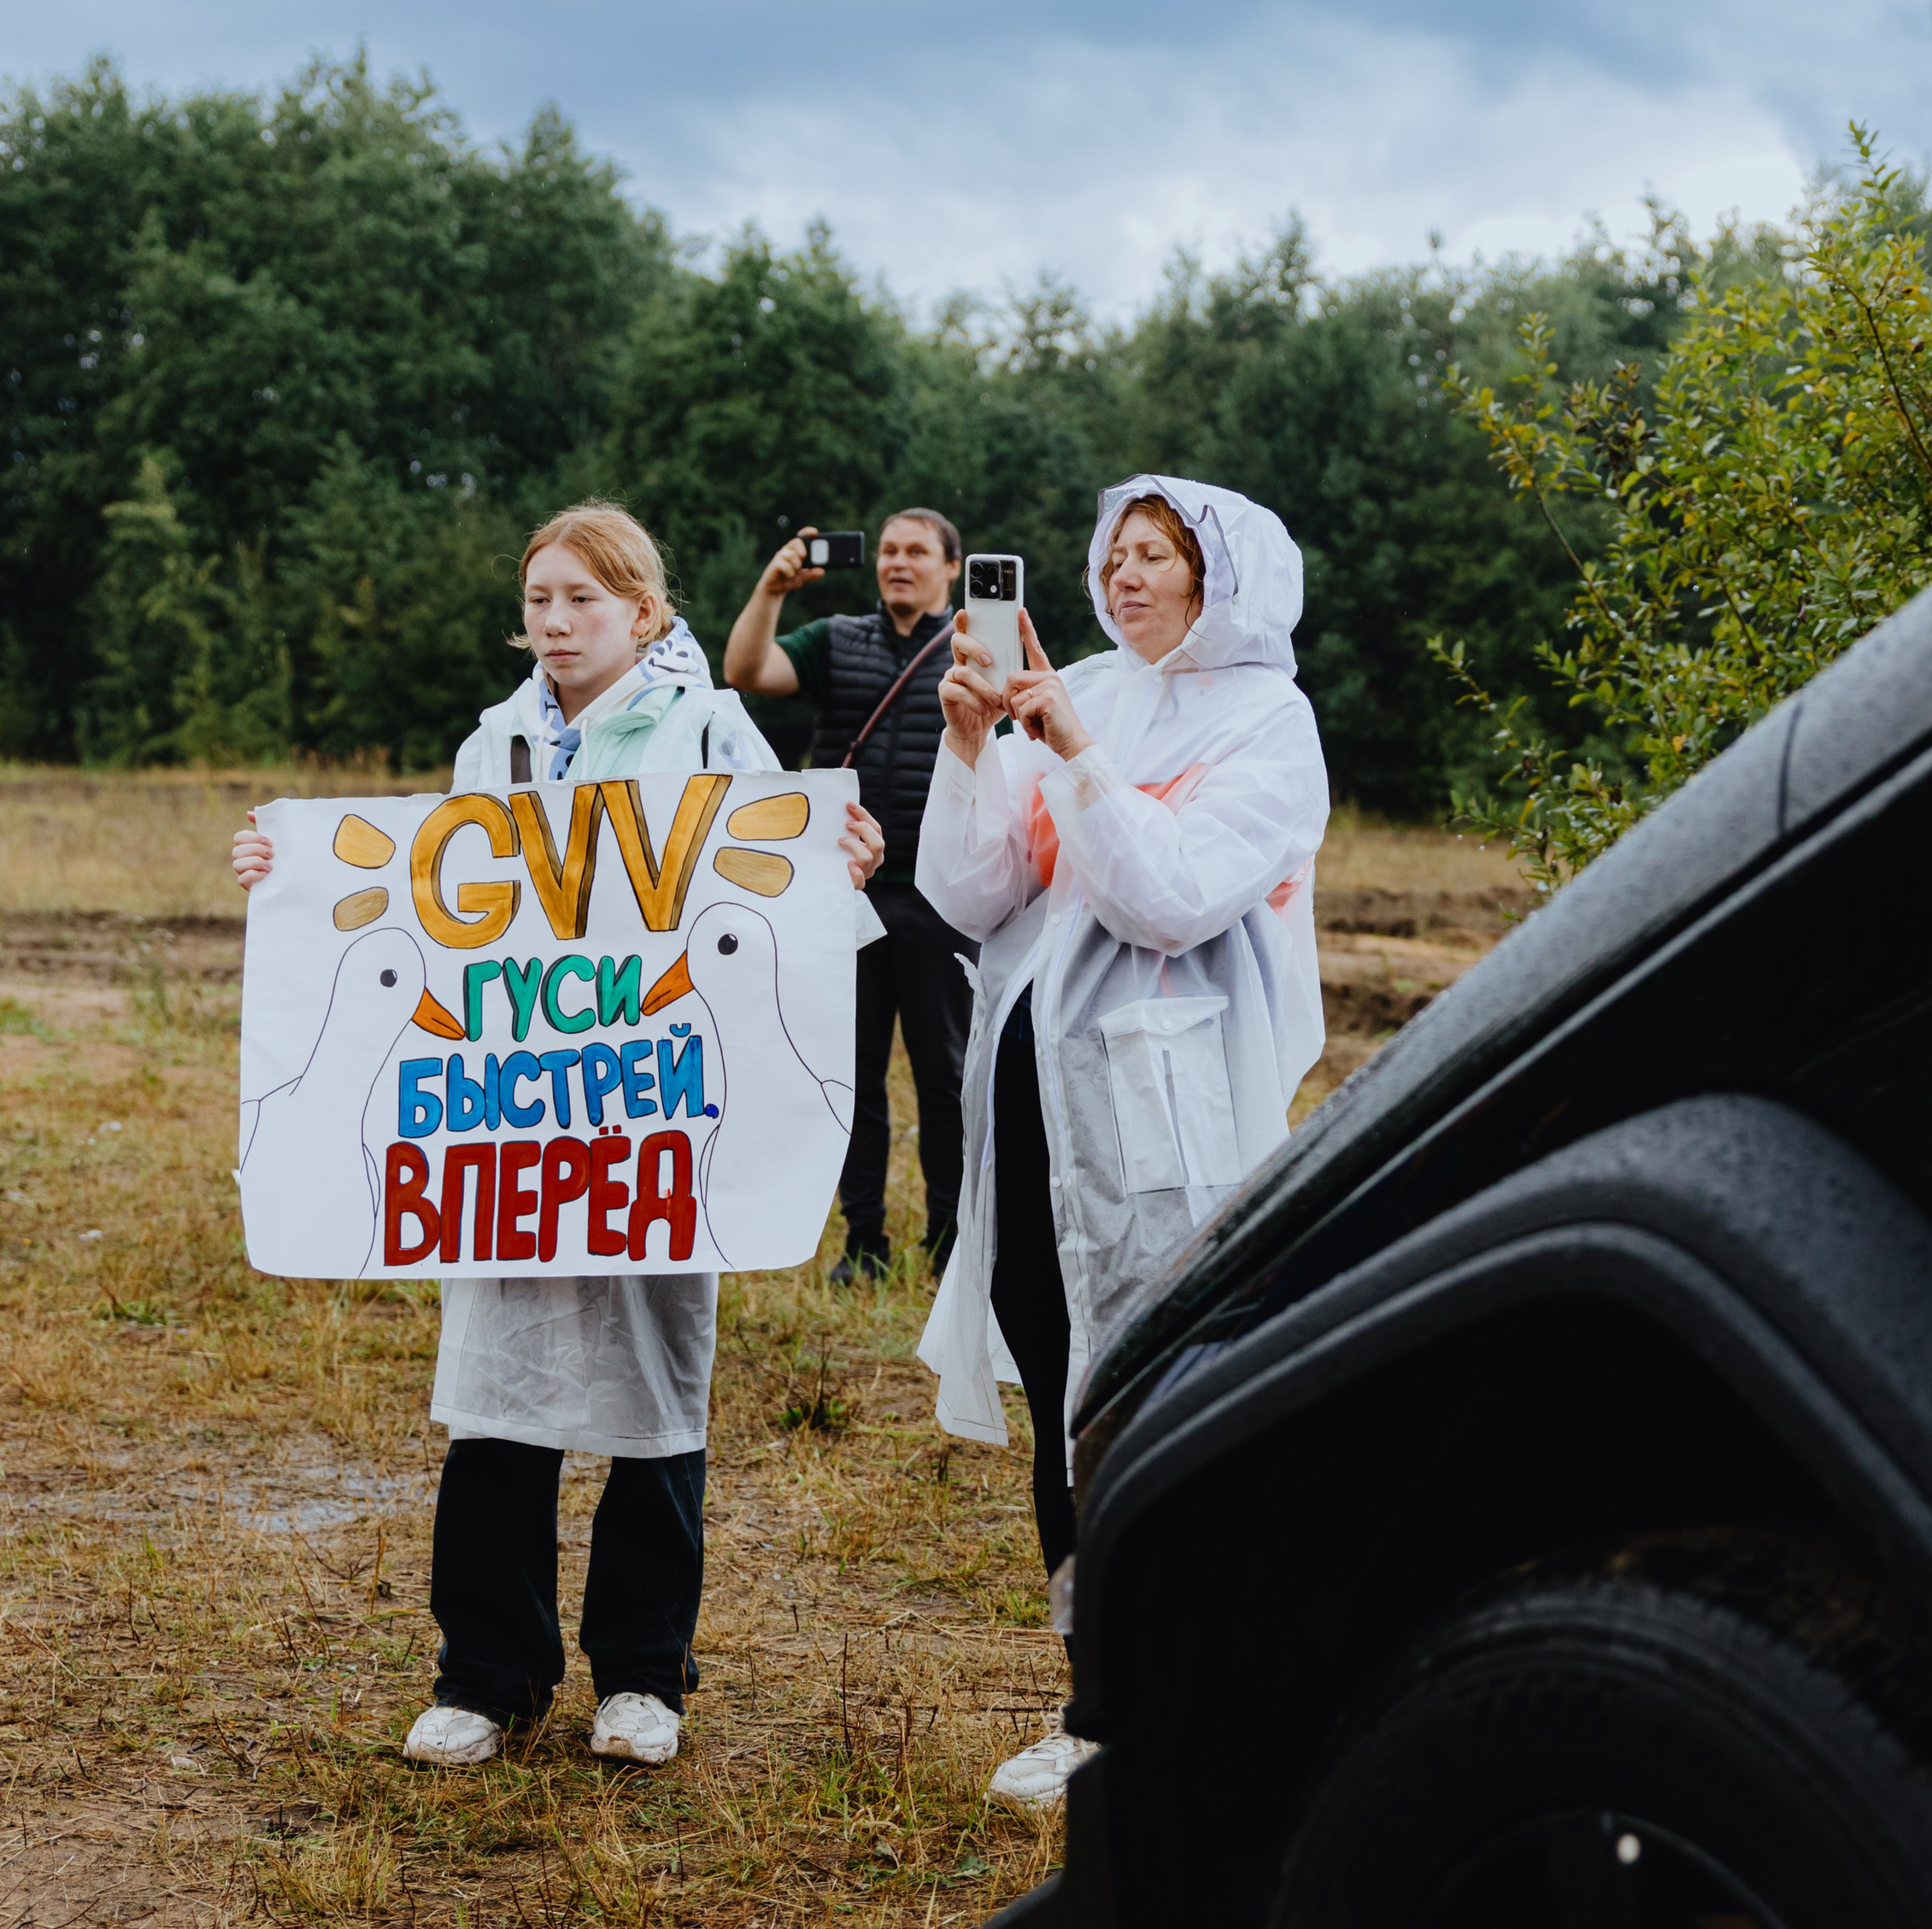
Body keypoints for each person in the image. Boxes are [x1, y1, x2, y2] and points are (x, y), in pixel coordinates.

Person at [232, 501, 885, 1774]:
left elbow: (772, 889)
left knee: (657, 1396)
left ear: (644, 612)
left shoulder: (709, 728)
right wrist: (292, 876)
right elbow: (426, 911)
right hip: (515, 1130)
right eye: (539, 599)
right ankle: (488, 1675)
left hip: (649, 1117)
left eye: (582, 598)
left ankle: (642, 1676)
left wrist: (836, 864)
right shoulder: (495, 745)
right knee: (500, 1398)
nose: (555, 621)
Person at [918, 478, 1328, 1798]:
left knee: (1162, 1382)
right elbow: (975, 893)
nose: (1126, 574)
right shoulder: (1082, 684)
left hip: (1169, 1107)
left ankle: (1203, 1693)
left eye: (1157, 554)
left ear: (1222, 578)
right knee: (1059, 1367)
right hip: (1035, 1087)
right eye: (1116, 554)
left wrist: (1080, 753)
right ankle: (1099, 1697)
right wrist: (974, 748)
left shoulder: (1268, 721)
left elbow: (1172, 895)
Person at [724, 509, 972, 1281]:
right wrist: (771, 590)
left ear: (951, 567)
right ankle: (863, 1244)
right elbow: (747, 672)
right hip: (846, 892)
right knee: (853, 1076)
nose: (899, 562)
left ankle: (951, 1242)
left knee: (947, 1078)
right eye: (889, 549)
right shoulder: (835, 639)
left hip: (942, 897)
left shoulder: (976, 646)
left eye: (917, 551)